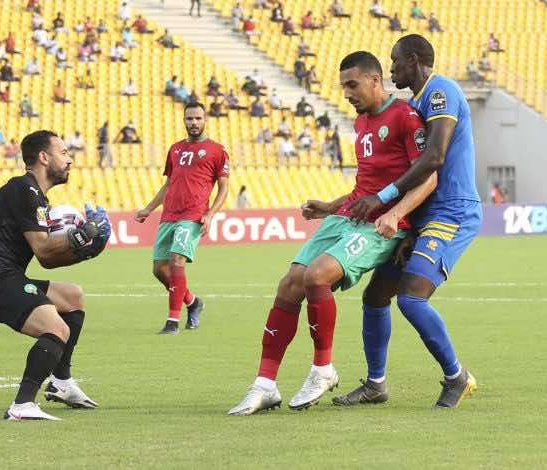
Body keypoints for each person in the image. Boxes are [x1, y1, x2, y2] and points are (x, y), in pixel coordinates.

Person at [227, 51, 435, 416]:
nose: (347, 94)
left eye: (353, 85)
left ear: (375, 80)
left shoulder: (405, 117)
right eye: (343, 87)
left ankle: (323, 369)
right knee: (289, 284)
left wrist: (398, 217)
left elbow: (428, 177)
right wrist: (329, 206)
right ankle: (265, 384)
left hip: (381, 225)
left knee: (316, 275)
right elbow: (364, 186)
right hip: (347, 215)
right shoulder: (361, 123)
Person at [340, 34, 481, 409]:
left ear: (414, 60)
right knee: (375, 296)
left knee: (411, 297)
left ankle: (457, 377)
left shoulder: (440, 92)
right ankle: (375, 385)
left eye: (395, 61)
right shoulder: (415, 103)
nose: (391, 69)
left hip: (452, 210)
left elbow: (434, 157)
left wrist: (384, 199)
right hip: (423, 214)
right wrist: (409, 224)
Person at [0, 130, 111, 421]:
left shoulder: (36, 196)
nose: (69, 159)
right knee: (57, 329)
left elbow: (47, 260)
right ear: (44, 157)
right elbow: (44, 248)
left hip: (5, 277)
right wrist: (82, 235)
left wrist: (88, 250)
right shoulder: (23, 189)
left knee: (72, 296)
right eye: (64, 153)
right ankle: (22, 405)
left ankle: (61, 382)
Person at [135, 101, 229, 334]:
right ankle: (193, 302)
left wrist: (210, 214)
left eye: (198, 118)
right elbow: (168, 184)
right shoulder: (175, 149)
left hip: (193, 214)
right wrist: (148, 209)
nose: (194, 122)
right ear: (184, 120)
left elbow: (224, 187)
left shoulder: (217, 150)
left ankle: (172, 322)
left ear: (205, 120)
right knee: (159, 269)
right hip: (169, 214)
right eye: (190, 118)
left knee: (177, 260)